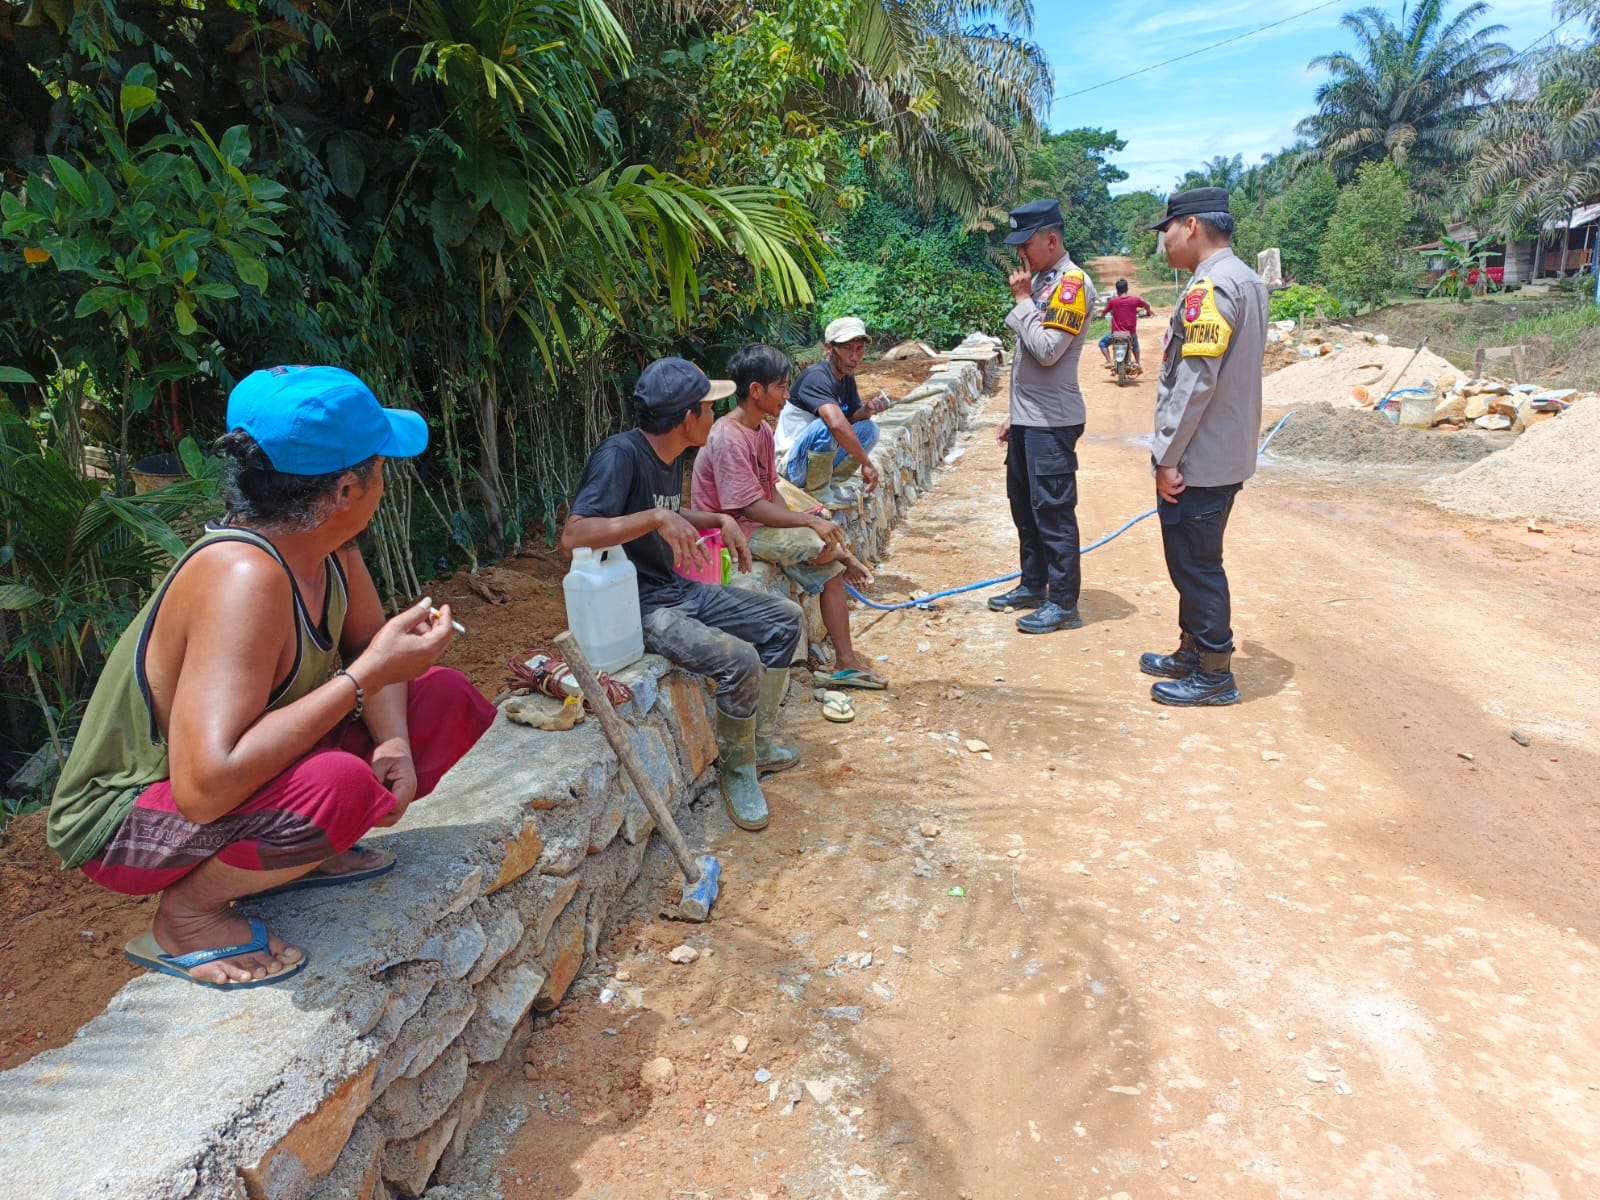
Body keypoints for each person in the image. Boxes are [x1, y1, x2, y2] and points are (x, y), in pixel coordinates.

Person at [47, 365, 497, 989]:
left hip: (237, 782)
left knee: (443, 698)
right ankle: (188, 916)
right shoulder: (243, 578)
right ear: (345, 490)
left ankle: (298, 858)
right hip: (125, 820)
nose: (385, 479)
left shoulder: (332, 550)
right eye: (380, 464)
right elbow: (203, 787)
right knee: (338, 786)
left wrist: (393, 739)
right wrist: (367, 676)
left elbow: (368, 646)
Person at [562, 357, 804, 832]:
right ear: (687, 418)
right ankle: (738, 772)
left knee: (786, 619)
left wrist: (717, 519)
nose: (715, 415)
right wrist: (656, 518)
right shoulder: (620, 456)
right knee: (739, 660)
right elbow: (574, 535)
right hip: (638, 606)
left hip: (674, 588)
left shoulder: (670, 456)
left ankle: (758, 747)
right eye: (708, 408)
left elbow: (669, 510)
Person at [691, 344, 886, 692]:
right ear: (756, 391)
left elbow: (772, 491)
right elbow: (750, 508)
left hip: (755, 523)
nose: (787, 395)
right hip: (732, 533)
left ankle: (846, 662)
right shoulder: (728, 436)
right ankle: (846, 558)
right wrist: (810, 524)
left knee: (828, 561)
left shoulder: (762, 431)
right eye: (781, 387)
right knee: (820, 544)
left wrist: (807, 517)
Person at [1140, 186, 1268, 706]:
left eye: (1167, 230)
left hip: (1199, 458)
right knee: (1195, 558)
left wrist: (1167, 458)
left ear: (1191, 226)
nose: (1165, 242)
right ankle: (1192, 650)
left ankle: (1214, 673)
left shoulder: (1209, 288)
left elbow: (1194, 382)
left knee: (1195, 564)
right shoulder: (1247, 279)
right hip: (1226, 450)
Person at [985, 197, 1097, 635]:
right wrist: (1016, 415)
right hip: (1030, 419)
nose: (1020, 254)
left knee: (1053, 512)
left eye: (1025, 244)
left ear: (1051, 240)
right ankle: (1034, 584)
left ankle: (1064, 603)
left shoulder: (1071, 285)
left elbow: (1048, 352)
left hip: (1052, 421)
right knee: (1025, 509)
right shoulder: (1043, 282)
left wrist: (1021, 300)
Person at [775, 317, 889, 504]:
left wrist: (867, 409)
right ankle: (818, 492)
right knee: (827, 425)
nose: (854, 357)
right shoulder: (816, 377)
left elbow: (851, 419)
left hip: (815, 462)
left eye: (859, 349)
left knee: (870, 429)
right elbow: (836, 424)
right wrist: (866, 463)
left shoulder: (846, 376)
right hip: (792, 467)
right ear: (829, 348)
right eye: (847, 348)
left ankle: (831, 483)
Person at [1098, 278, 1154, 372]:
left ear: (1117, 290)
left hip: (1116, 333)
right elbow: (1147, 305)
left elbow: (1104, 311)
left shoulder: (1113, 301)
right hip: (1130, 333)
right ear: (1127, 289)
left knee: (1102, 343)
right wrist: (1148, 313)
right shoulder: (1135, 300)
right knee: (1135, 345)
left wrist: (1102, 317)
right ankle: (1137, 363)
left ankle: (1109, 361)